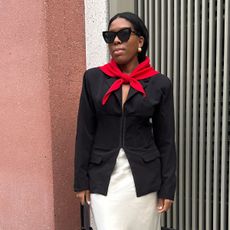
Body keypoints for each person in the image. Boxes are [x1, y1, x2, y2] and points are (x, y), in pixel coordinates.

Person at [74, 12, 176, 230]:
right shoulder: (93, 79)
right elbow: (85, 132)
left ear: (140, 41)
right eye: (110, 36)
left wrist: (168, 188)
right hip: (104, 177)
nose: (116, 40)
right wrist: (80, 181)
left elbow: (165, 140)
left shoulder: (160, 84)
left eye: (123, 33)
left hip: (143, 180)